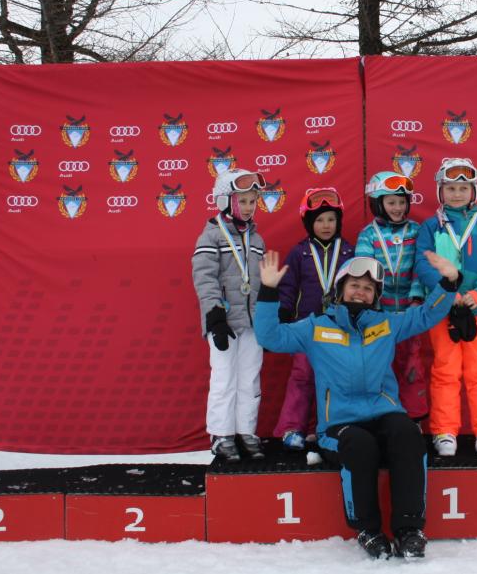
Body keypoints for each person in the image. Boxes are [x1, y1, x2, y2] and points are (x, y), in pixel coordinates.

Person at [254, 250, 461, 559]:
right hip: (339, 425)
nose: (360, 292)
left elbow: (427, 315)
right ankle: (368, 529)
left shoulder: (386, 324)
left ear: (375, 296)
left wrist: (449, 282)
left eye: (367, 288)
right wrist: (269, 290)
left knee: (407, 432)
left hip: (384, 413)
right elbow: (269, 336)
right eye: (354, 285)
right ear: (340, 289)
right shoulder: (315, 327)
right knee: (359, 444)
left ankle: (409, 530)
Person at [414, 157, 477, 457]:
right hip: (443, 309)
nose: (456, 194)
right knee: (445, 369)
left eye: (463, 188)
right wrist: (446, 293)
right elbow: (423, 264)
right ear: (440, 191)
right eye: (450, 188)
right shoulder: (431, 227)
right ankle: (444, 431)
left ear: (473, 191)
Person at [191, 169, 268, 462]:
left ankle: (245, 431)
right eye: (242, 201)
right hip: (224, 322)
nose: (249, 207)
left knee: (250, 378)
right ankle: (221, 434)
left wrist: (267, 318)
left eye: (252, 201)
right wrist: (215, 316)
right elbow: (204, 277)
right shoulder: (211, 235)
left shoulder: (257, 239)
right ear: (225, 201)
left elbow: (260, 282)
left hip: (252, 323)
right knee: (224, 378)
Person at [273, 187, 354, 450]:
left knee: (334, 380)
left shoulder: (348, 252)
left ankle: (329, 428)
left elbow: (357, 288)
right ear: (309, 223)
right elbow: (288, 287)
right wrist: (284, 313)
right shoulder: (299, 253)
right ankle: (292, 428)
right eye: (319, 220)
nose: (326, 225)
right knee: (302, 376)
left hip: (339, 328)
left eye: (331, 219)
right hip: (306, 328)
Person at [354, 171, 429, 422]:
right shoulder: (368, 234)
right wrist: (372, 306)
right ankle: (384, 418)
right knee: (380, 367)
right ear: (378, 203)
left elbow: (421, 267)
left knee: (411, 366)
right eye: (391, 202)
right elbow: (365, 273)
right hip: (380, 314)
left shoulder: (416, 231)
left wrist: (416, 299)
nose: (398, 208)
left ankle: (414, 420)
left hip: (410, 313)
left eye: (402, 202)